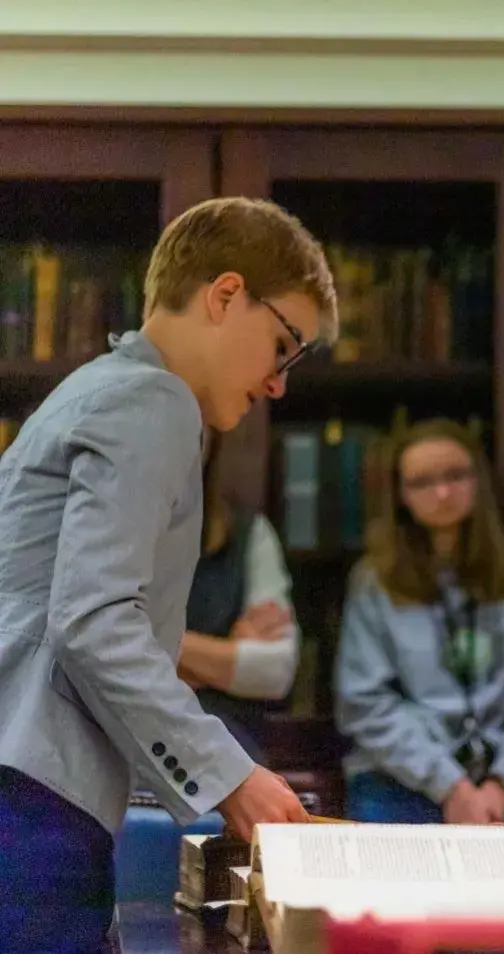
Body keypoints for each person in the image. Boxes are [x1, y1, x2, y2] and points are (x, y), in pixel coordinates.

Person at [0, 196, 337, 950]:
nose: (279, 383)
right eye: (284, 345)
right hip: (25, 798)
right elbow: (91, 620)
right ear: (225, 296)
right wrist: (231, 775)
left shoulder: (96, 387)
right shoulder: (154, 400)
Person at [336, 419, 504, 826]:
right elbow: (364, 703)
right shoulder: (375, 582)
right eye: (422, 482)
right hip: (401, 782)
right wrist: (451, 786)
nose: (442, 493)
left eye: (455, 476)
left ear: (478, 481)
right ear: (400, 495)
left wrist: (500, 781)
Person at [177, 426, 301, 764]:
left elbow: (274, 670)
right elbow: (80, 657)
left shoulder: (250, 534)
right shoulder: (93, 531)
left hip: (224, 746)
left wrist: (144, 646)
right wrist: (223, 653)